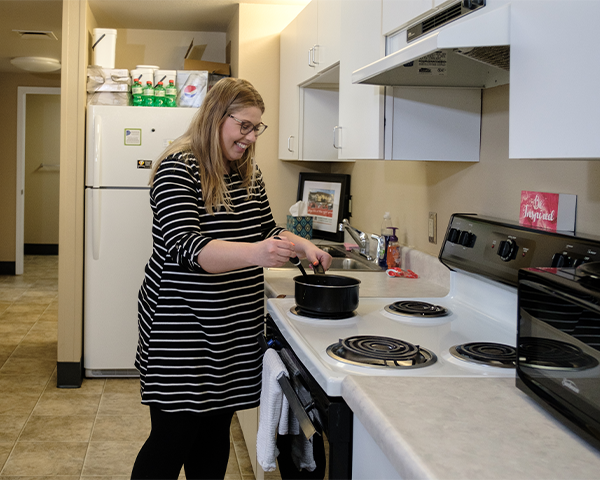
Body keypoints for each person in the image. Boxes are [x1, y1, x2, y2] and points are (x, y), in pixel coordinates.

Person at [130, 77, 332, 480]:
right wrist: (258, 254)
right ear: (215, 117)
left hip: (231, 324)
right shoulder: (178, 168)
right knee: (174, 436)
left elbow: (267, 229)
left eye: (257, 128)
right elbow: (188, 247)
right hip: (181, 322)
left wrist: (300, 245)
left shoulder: (247, 174)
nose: (251, 137)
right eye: (244, 126)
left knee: (213, 433)